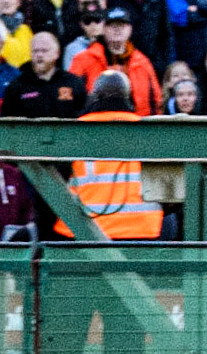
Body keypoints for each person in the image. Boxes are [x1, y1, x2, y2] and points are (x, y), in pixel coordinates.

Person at [52, 70, 163, 238]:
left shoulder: (75, 131)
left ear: (94, 95)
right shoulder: (149, 132)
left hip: (85, 229)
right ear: (128, 95)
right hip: (142, 227)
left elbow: (53, 179)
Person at [69, 7, 161, 115]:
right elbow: (72, 95)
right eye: (112, 25)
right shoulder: (83, 59)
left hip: (136, 122)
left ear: (130, 29)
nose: (117, 29)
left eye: (122, 25)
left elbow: (156, 100)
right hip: (95, 122)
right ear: (103, 29)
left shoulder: (143, 62)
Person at [1, 30, 87, 117]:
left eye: (44, 51)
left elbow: (84, 117)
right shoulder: (17, 86)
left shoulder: (72, 83)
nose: (39, 55)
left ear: (57, 53)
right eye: (35, 51)